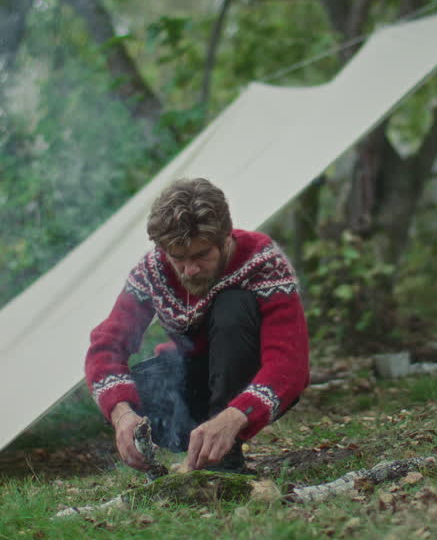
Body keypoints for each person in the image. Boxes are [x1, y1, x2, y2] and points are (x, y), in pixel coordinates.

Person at [84, 178, 310, 473]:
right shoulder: (153, 269)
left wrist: (235, 416)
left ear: (225, 238)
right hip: (190, 382)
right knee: (124, 390)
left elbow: (290, 362)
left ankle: (224, 457)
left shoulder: (262, 262)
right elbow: (107, 347)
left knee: (233, 305)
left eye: (202, 255)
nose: (190, 270)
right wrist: (122, 414)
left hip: (247, 377)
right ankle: (183, 450)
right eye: (178, 258)